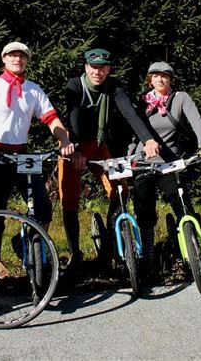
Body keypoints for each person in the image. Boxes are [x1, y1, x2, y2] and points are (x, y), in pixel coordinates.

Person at [0, 42, 75, 258]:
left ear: (27, 61)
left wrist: (63, 140)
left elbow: (51, 119)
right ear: (4, 59)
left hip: (22, 154)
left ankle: (31, 251)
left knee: (43, 207)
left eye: (22, 56)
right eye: (12, 55)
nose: (17, 60)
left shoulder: (33, 89)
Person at [57, 48, 160, 272]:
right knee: (70, 201)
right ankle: (75, 254)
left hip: (98, 145)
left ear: (108, 69)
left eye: (102, 68)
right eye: (93, 67)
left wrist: (149, 139)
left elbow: (129, 113)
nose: (98, 71)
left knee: (120, 190)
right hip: (73, 146)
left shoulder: (113, 86)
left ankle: (114, 240)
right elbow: (72, 115)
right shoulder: (75, 85)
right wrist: (75, 152)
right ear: (86, 67)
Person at [131, 62, 201, 277]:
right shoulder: (141, 102)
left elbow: (197, 122)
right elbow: (132, 130)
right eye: (155, 75)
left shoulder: (180, 98)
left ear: (170, 79)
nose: (160, 79)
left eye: (165, 76)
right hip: (144, 161)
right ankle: (148, 255)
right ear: (150, 79)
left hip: (169, 162)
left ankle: (196, 248)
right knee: (144, 207)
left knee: (180, 201)